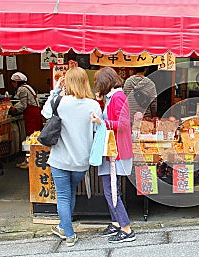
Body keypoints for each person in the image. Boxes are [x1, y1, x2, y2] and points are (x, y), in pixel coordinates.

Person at [41, 67, 102, 247]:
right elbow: (97, 129)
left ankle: (69, 233)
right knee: (70, 191)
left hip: (60, 158)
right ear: (85, 82)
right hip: (81, 160)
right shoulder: (93, 105)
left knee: (63, 195)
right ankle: (63, 226)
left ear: (66, 82)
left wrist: (56, 90)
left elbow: (45, 113)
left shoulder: (60, 102)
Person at [91, 67, 136, 243]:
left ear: (105, 82)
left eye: (98, 82)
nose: (96, 85)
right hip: (112, 150)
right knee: (110, 188)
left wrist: (101, 121)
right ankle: (116, 223)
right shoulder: (114, 97)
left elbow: (124, 124)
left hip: (115, 151)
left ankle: (126, 229)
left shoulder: (118, 97)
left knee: (111, 190)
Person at [9, 72, 43, 168]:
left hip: (31, 114)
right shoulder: (28, 87)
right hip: (35, 113)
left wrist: (13, 109)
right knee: (34, 136)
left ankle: (29, 161)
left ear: (16, 82)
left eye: (13, 82)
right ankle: (32, 159)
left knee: (30, 137)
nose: (13, 84)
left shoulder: (22, 89)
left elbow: (23, 105)